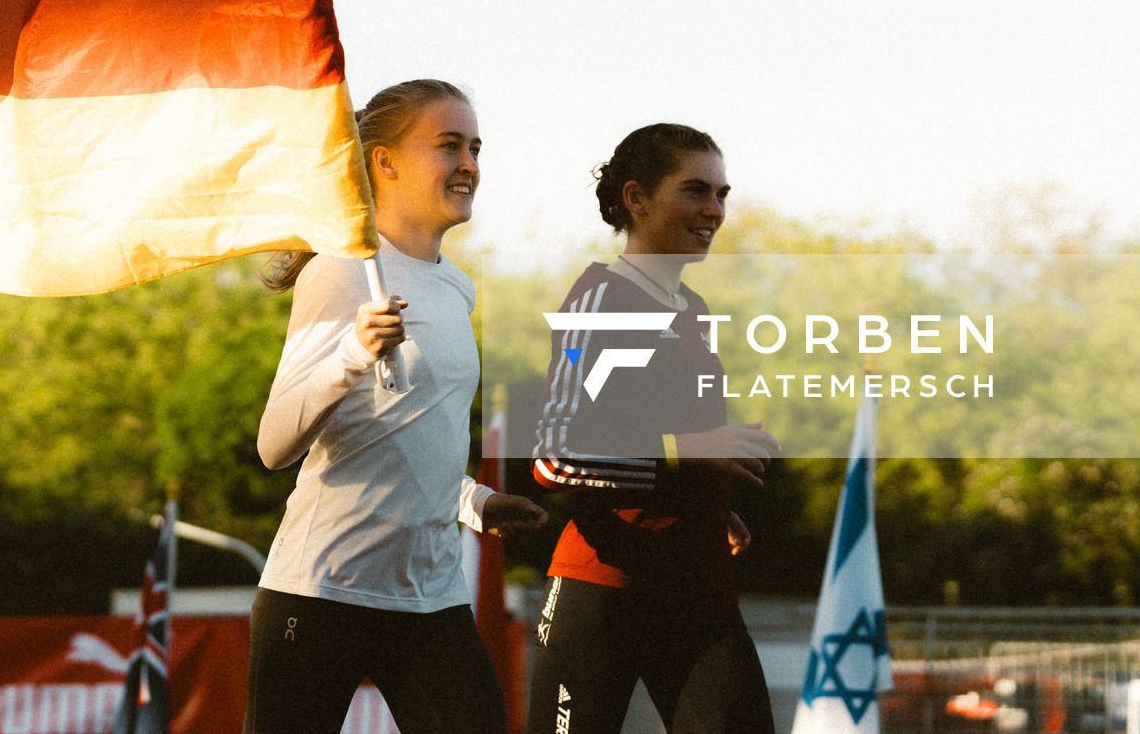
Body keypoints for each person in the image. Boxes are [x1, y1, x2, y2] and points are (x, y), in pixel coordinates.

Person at [246, 79, 548, 734]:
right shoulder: (341, 270)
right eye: (448, 146)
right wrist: (354, 350)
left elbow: (416, 434)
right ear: (384, 161)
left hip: (429, 596)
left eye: (474, 148)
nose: (468, 164)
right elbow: (274, 445)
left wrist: (475, 503)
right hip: (322, 591)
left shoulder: (456, 289)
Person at [527, 123, 780, 734]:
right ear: (636, 199)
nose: (714, 210)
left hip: (698, 591)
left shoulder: (692, 309)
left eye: (722, 194)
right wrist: (688, 454)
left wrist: (708, 503)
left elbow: (657, 440)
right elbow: (556, 458)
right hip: (604, 590)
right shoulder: (605, 299)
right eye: (696, 191)